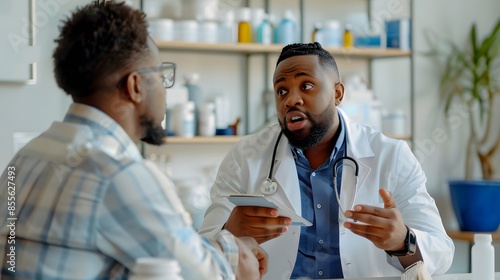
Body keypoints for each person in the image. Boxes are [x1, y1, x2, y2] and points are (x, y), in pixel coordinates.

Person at [0, 2, 267, 279]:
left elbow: (163, 252)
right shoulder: (117, 172)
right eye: (161, 76)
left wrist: (226, 245)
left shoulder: (28, 156)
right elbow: (204, 275)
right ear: (136, 86)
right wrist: (237, 254)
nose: (165, 89)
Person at [199, 42, 454, 279]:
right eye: (281, 90)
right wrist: (229, 233)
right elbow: (199, 254)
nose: (291, 100)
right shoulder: (245, 157)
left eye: (306, 86)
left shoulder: (392, 156)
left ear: (337, 93)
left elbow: (442, 254)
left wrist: (402, 241)